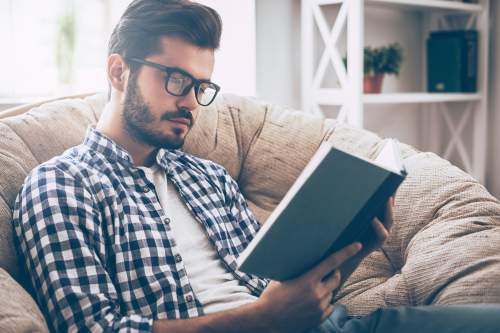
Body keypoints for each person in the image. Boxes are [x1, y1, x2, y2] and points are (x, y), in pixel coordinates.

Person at [12, 1, 500, 332]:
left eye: (201, 86)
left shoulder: (206, 176)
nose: (192, 104)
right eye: (178, 80)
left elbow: (277, 284)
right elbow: (95, 328)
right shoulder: (61, 186)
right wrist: (262, 320)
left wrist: (352, 247)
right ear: (119, 71)